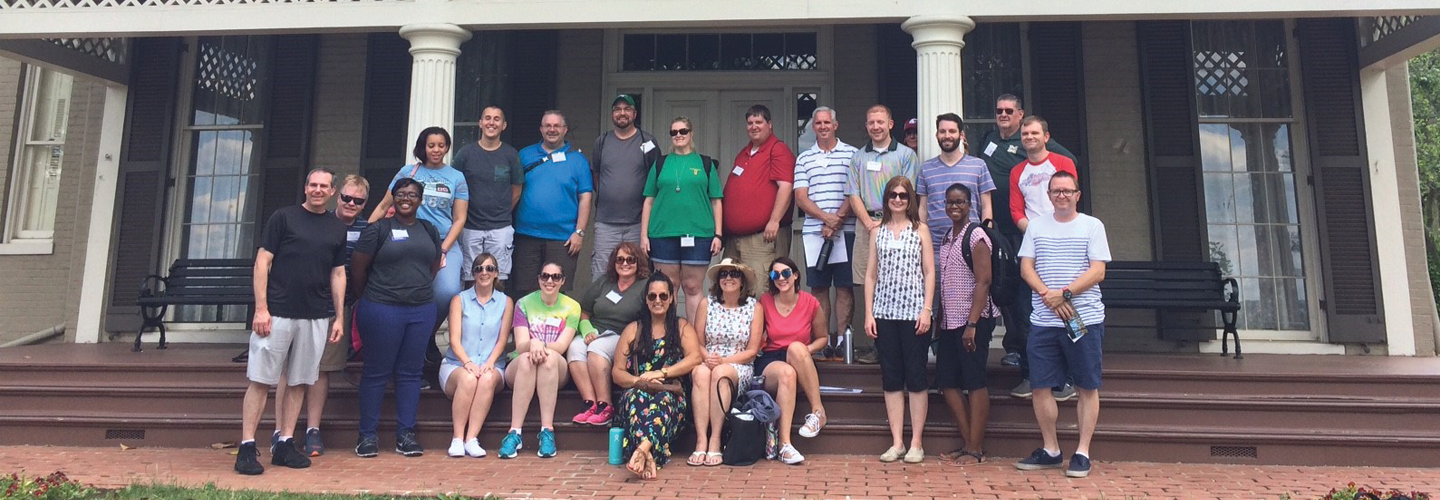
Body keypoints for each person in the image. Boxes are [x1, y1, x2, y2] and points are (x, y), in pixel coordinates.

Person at [234, 168, 347, 475]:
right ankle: (246, 447)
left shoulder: (337, 228)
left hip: (316, 315)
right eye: (313, 184)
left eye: (324, 186)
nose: (318, 190)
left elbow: (338, 273)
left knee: (299, 382)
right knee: (260, 380)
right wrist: (261, 308)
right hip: (277, 313)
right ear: (305, 188)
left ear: (333, 191)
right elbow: (262, 261)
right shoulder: (283, 218)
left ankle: (284, 443)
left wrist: (338, 317)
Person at [1013, 171, 1110, 478]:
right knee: (1040, 386)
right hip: (1043, 322)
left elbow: (1098, 271)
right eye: (1056, 191)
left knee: (1086, 385)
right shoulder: (1037, 226)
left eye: (1068, 191)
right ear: (1049, 194)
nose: (1062, 195)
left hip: (1083, 319)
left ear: (1077, 194)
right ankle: (1051, 449)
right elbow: (1026, 266)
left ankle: (1082, 452)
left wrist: (1065, 293)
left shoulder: (1092, 226)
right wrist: (1047, 295)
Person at [975, 94, 1077, 380]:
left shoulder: (1048, 153)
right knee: (1015, 294)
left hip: (1052, 238)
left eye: (1010, 111)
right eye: (999, 111)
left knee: (1060, 293)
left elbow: (1069, 172)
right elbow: (1014, 202)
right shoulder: (992, 142)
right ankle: (1022, 355)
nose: (1004, 115)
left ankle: (1069, 365)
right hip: (1011, 233)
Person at [275, 174, 371, 458]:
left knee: (322, 370)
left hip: (336, 311)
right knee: (289, 370)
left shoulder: (368, 230)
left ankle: (312, 429)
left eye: (358, 200)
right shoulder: (317, 221)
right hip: (298, 307)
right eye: (346, 197)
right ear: (335, 195)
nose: (350, 203)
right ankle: (281, 432)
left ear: (365, 204)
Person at [350, 178, 443, 458]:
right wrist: (371, 298)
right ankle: (367, 436)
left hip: (421, 310)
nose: (406, 198)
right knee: (377, 372)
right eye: (401, 194)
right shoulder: (377, 230)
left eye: (412, 195)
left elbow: (433, 266)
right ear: (392, 197)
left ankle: (405, 434)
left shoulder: (429, 229)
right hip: (381, 309)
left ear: (420, 200)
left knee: (411, 373)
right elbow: (357, 271)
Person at [368, 127, 469, 365]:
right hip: (411, 240)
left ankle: (425, 334)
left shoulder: (457, 177)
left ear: (447, 147)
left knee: (446, 292)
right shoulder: (408, 171)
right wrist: (367, 233)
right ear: (423, 147)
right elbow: (384, 205)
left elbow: (460, 219)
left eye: (441, 145)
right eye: (431, 145)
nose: (436, 150)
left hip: (445, 242)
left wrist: (443, 249)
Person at [1005, 115, 1079, 401]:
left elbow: (1068, 199)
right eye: (1025, 134)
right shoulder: (1018, 172)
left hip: (1065, 245)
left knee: (1069, 309)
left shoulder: (1062, 163)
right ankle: (1030, 374)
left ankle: (1071, 377)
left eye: (1034, 133)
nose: (1029, 137)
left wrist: (1053, 230)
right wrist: (1036, 233)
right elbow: (1015, 210)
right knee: (1028, 312)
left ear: (1046, 136)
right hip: (1033, 246)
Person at [863, 175, 934, 464]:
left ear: (911, 199)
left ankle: (916, 441)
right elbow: (870, 274)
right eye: (893, 195)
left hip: (914, 311)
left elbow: (930, 272)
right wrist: (868, 312)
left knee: (916, 376)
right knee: (891, 377)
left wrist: (927, 308)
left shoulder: (921, 230)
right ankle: (897, 442)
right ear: (886, 198)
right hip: (885, 311)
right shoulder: (877, 231)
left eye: (904, 195)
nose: (898, 200)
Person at [612, 272, 704, 479]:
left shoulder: (682, 327)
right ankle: (647, 454)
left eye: (663, 296)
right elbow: (617, 372)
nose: (658, 301)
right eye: (652, 296)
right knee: (636, 399)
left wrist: (661, 373)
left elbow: (695, 358)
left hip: (671, 393)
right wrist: (640, 381)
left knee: (662, 401)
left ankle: (642, 450)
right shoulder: (633, 329)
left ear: (672, 298)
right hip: (637, 390)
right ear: (646, 299)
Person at [845, 105, 917, 363]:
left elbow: (907, 191)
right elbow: (853, 193)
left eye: (880, 122)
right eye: (871, 122)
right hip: (867, 226)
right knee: (869, 283)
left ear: (890, 124)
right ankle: (876, 347)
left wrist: (889, 221)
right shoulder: (858, 157)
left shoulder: (906, 155)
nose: (875, 126)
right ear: (866, 126)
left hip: (898, 224)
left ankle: (898, 344)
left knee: (897, 281)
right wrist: (868, 223)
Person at [934, 184, 999, 467]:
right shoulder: (948, 237)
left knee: (974, 382)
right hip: (949, 322)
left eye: (959, 202)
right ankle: (968, 442)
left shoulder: (977, 236)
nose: (954, 207)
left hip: (973, 320)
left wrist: (972, 323)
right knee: (947, 382)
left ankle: (975, 448)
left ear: (970, 205)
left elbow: (984, 281)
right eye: (950, 202)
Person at [641, 116, 723, 321]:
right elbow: (648, 200)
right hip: (662, 234)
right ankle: (668, 338)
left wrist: (718, 234)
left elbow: (716, 201)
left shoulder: (704, 163)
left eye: (683, 131)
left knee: (693, 287)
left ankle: (694, 341)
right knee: (668, 287)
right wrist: (644, 235)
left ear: (691, 133)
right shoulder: (660, 163)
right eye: (674, 132)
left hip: (699, 233)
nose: (678, 135)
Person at [793, 106, 858, 360]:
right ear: (813, 127)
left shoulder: (852, 154)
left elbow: (855, 191)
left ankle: (842, 342)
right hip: (814, 233)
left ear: (835, 125)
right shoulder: (804, 158)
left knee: (844, 287)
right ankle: (822, 342)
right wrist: (826, 219)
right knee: (819, 288)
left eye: (826, 122)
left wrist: (837, 220)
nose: (822, 127)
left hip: (846, 230)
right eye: (818, 123)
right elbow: (800, 197)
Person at [500, 262, 582, 459]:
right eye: (545, 276)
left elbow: (561, 346)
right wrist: (533, 344)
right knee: (528, 359)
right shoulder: (523, 303)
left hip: (554, 367)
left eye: (555, 277)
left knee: (549, 359)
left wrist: (539, 344)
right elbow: (521, 345)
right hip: (523, 363)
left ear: (562, 281)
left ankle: (547, 431)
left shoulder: (572, 307)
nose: (549, 281)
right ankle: (514, 433)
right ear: (538, 279)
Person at [688, 258, 763, 466]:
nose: (728, 278)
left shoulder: (754, 307)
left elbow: (752, 351)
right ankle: (701, 439)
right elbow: (698, 341)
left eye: (734, 274)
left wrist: (723, 361)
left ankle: (716, 439)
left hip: (739, 365)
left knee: (720, 373)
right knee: (700, 373)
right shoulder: (707, 303)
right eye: (723, 274)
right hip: (710, 361)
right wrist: (706, 357)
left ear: (742, 281)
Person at [569, 242, 650, 426]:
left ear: (639, 263)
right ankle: (590, 403)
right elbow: (585, 310)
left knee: (597, 349)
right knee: (574, 348)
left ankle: (606, 406)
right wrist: (587, 330)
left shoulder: (645, 285)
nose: (625, 263)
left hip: (623, 335)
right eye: (620, 259)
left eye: (631, 259)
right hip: (596, 331)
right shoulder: (605, 281)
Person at [514, 111, 594, 298]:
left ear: (565, 130)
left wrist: (579, 233)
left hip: (563, 238)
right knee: (527, 290)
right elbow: (513, 190)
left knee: (558, 290)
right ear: (541, 129)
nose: (552, 129)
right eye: (547, 125)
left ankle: (556, 328)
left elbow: (585, 198)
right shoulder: (524, 155)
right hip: (527, 235)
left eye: (556, 126)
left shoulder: (578, 160)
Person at [757, 256, 828, 465]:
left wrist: (807, 350)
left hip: (800, 358)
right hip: (771, 359)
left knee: (796, 348)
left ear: (795, 275)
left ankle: (818, 412)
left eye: (786, 273)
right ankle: (784, 445)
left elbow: (823, 338)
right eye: (775, 274)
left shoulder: (810, 302)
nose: (781, 278)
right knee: (787, 373)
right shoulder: (765, 301)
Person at [441, 254, 513, 458]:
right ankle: (457, 438)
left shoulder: (506, 302)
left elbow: (502, 340)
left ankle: (471, 438)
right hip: (457, 364)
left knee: (487, 377)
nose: (484, 273)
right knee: (469, 377)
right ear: (472, 273)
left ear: (497, 273)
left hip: (492, 365)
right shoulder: (459, 299)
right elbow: (454, 340)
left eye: (490, 269)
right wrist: (468, 362)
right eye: (479, 268)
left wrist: (490, 362)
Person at [590, 94, 662, 280]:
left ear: (634, 113)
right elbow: (596, 175)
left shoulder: (647, 142)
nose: (622, 113)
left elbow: (657, 179)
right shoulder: (602, 141)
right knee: (602, 272)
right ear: (612, 114)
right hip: (606, 222)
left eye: (627, 109)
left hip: (638, 223)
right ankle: (601, 309)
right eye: (617, 109)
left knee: (639, 272)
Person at [722, 104, 795, 278]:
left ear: (769, 124)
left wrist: (774, 220)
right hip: (734, 239)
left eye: (758, 122)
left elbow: (786, 186)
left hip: (762, 238)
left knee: (759, 289)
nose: (753, 126)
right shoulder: (743, 153)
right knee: (730, 291)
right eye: (750, 123)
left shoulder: (778, 149)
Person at [455, 105, 523, 287]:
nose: (491, 122)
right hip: (470, 227)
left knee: (498, 279)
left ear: (504, 125)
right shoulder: (465, 154)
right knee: (470, 278)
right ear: (480, 123)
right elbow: (454, 186)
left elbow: (517, 189)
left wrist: (500, 211)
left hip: (500, 228)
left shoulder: (511, 155)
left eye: (496, 119)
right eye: (487, 118)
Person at [916, 113, 995, 248]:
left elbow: (986, 206)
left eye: (952, 131)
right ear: (937, 135)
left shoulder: (978, 166)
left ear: (961, 135)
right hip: (934, 246)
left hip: (971, 244)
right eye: (942, 131)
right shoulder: (926, 169)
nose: (947, 135)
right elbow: (922, 209)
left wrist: (986, 237)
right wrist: (922, 240)